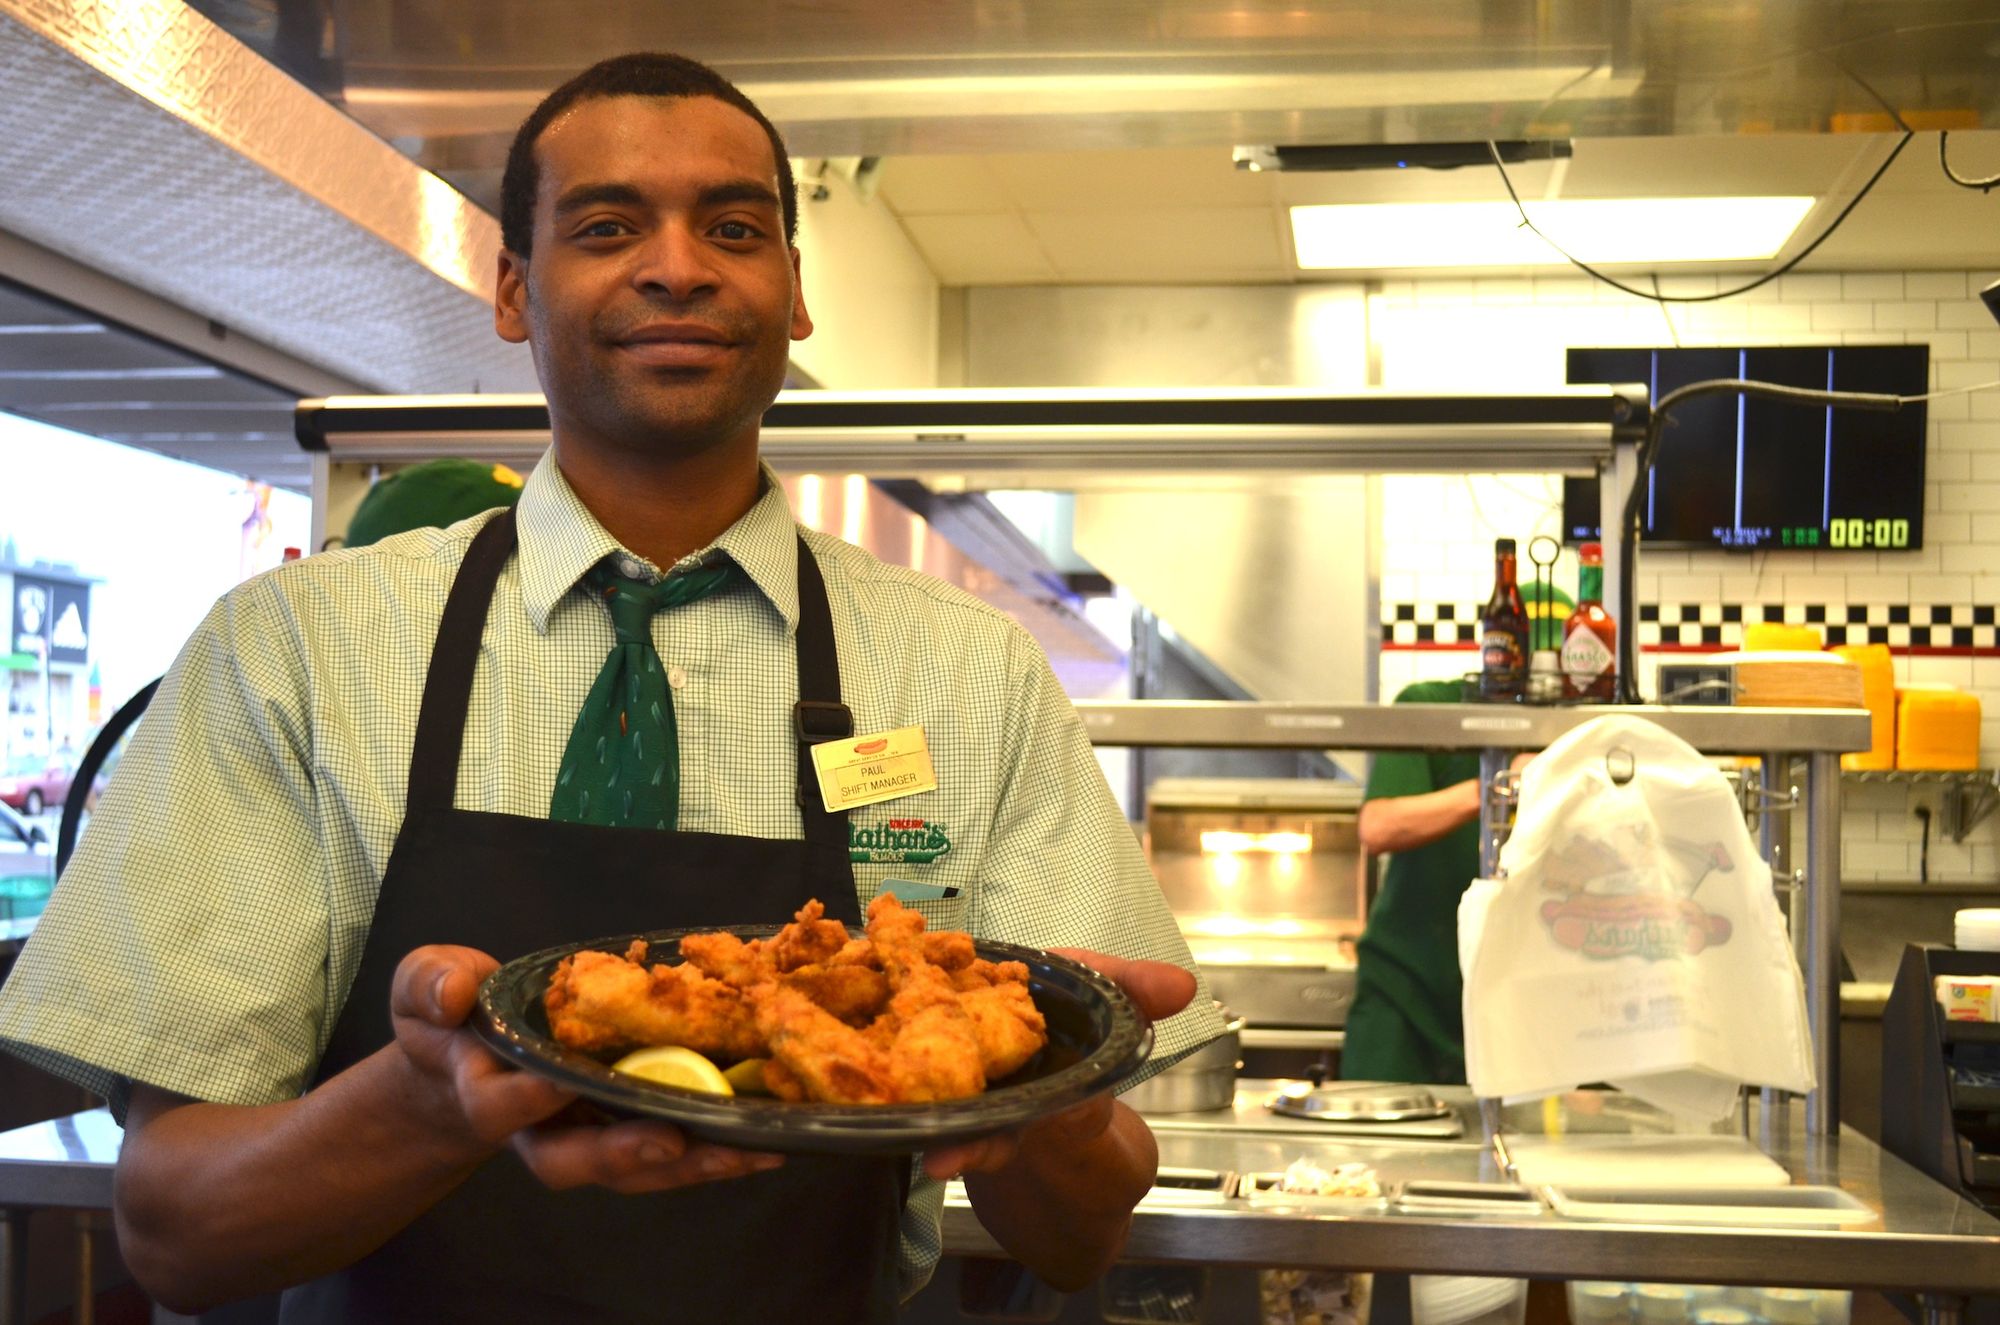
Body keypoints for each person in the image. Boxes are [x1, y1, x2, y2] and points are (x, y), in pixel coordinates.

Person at [0, 52, 1222, 1322]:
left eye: (735, 227)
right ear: (515, 290)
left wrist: (1045, 1100)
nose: (679, 264)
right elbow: (176, 1231)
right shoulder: (294, 649)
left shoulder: (965, 673)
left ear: (793, 293)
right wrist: (431, 1102)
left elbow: (1083, 1238)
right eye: (607, 226)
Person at [1342, 680, 1530, 1085]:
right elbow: (1379, 827)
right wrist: (1496, 788)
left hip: (1519, 1005)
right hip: (1405, 994)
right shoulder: (1431, 707)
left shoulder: (1583, 724)